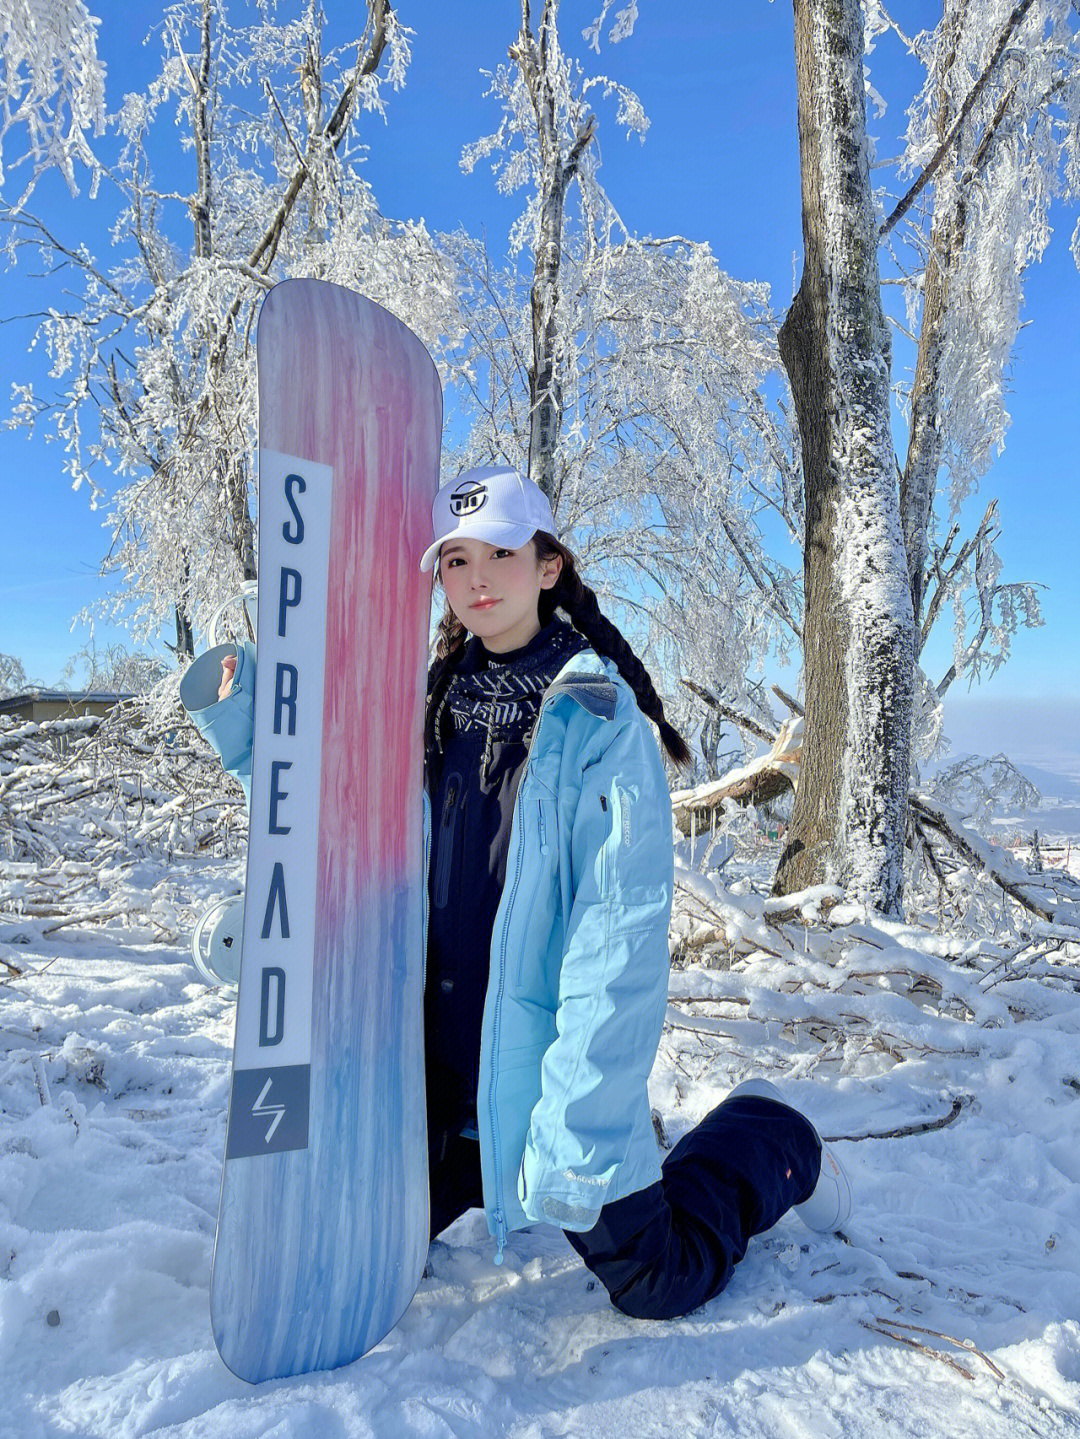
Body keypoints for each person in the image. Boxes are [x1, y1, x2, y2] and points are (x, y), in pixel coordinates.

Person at [182, 464, 851, 1323]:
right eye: (455, 560)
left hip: (540, 1076)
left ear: (547, 565)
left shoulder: (599, 721)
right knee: (353, 1254)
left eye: (499, 550)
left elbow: (616, 940)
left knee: (658, 1279)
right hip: (425, 1074)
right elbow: (330, 827)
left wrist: (580, 1112)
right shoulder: (426, 704)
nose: (476, 577)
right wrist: (249, 720)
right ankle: (456, 1163)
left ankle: (773, 1135)